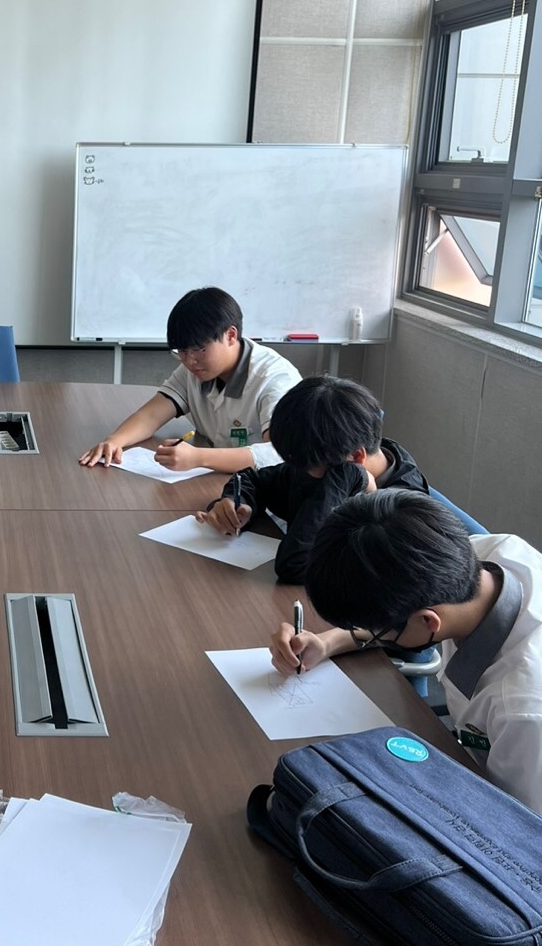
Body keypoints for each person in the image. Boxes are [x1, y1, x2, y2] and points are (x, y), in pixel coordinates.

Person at [270, 489, 542, 814]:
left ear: (429, 621)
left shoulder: (523, 711)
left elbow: (516, 826)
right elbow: (403, 613)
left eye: (376, 630)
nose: (371, 633)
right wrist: (327, 642)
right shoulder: (481, 556)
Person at [197, 376, 428, 583]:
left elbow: (295, 565)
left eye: (306, 466)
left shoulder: (405, 515)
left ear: (357, 458)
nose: (298, 471)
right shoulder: (330, 455)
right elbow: (254, 480)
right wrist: (238, 502)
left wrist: (342, 481)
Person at [78, 287, 301, 473]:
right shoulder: (195, 371)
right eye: (182, 351)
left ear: (231, 335)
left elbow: (277, 453)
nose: (189, 360)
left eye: (198, 349)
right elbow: (151, 415)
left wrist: (198, 458)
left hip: (268, 493)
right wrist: (114, 441)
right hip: (221, 482)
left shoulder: (275, 379)